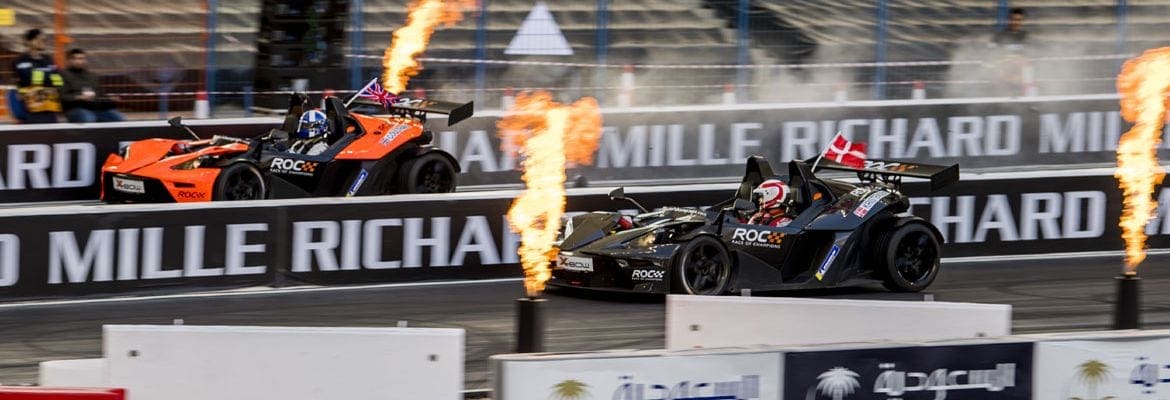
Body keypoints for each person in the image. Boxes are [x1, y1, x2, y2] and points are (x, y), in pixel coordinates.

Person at [11, 28, 63, 123]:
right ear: (29, 42)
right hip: (31, 105)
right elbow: (28, 80)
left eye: (44, 40)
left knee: (53, 134)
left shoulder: (48, 59)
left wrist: (39, 76)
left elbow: (58, 80)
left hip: (50, 104)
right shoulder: (20, 60)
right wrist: (48, 75)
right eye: (39, 39)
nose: (43, 42)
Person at [60, 48, 125, 123]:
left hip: (96, 107)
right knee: (88, 118)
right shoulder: (63, 75)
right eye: (75, 59)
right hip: (75, 108)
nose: (79, 61)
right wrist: (79, 97)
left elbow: (101, 94)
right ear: (68, 61)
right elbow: (62, 96)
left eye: (82, 59)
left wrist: (110, 99)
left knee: (118, 117)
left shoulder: (92, 76)